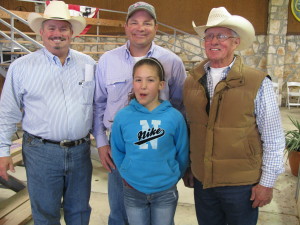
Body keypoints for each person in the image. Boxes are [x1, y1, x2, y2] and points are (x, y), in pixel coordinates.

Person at [183, 7, 285, 225]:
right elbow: (191, 129)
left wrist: (266, 183)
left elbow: (274, 138)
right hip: (204, 182)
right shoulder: (191, 80)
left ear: (236, 42)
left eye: (221, 36)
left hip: (242, 186)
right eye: (209, 36)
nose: (213, 41)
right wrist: (190, 166)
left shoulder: (257, 82)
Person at [0, 1, 96, 224]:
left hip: (81, 152)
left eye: (63, 28)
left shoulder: (89, 64)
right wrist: (3, 150)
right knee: (45, 214)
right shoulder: (22, 67)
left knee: (80, 212)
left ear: (72, 33)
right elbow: (8, 112)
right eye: (51, 28)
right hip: (41, 153)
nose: (57, 34)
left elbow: (96, 105)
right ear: (41, 32)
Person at [92, 2, 187, 225]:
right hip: (120, 151)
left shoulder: (172, 62)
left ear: (156, 27)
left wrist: (174, 166)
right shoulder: (108, 60)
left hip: (158, 158)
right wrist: (101, 142)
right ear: (125, 27)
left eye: (147, 23)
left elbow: (181, 108)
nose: (140, 28)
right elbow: (98, 104)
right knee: (119, 214)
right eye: (134, 22)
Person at [110, 57, 189, 225]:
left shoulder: (174, 117)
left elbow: (182, 153)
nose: (143, 86)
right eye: (138, 80)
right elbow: (117, 149)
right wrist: (126, 172)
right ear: (133, 83)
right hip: (133, 189)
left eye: (150, 80)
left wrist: (172, 175)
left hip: (165, 190)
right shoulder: (123, 116)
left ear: (161, 85)